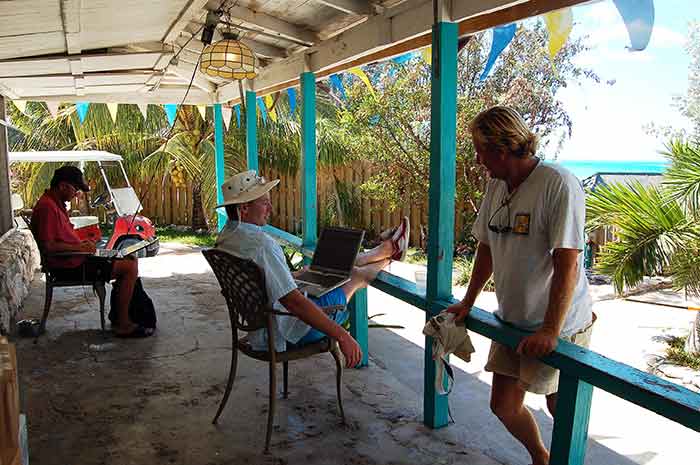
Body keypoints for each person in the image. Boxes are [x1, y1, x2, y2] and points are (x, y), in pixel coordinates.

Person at [446, 106, 594, 465]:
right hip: (514, 320)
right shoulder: (496, 186)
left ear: (502, 148)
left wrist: (550, 329)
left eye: (481, 150)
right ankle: (541, 458)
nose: (478, 158)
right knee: (503, 406)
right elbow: (486, 246)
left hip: (562, 324)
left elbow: (567, 263)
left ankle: (567, 459)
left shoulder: (557, 183)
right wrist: (468, 300)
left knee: (561, 407)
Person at [214, 169, 410, 367]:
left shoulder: (226, 237)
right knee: (355, 276)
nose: (270, 208)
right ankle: (391, 253)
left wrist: (292, 275)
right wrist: (343, 336)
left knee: (333, 265)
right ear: (244, 209)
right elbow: (295, 304)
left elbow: (257, 278)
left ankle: (383, 250)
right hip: (286, 331)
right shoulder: (262, 244)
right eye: (264, 203)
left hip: (261, 325)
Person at [30, 166, 148, 338]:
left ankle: (119, 317)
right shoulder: (48, 208)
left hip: (76, 258)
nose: (76, 193)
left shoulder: (55, 203)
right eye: (75, 189)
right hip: (69, 265)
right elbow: (49, 247)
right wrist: (80, 248)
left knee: (127, 257)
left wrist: (83, 243)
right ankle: (122, 324)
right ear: (63, 186)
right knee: (129, 267)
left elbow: (61, 238)